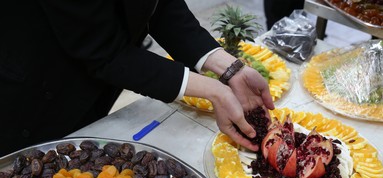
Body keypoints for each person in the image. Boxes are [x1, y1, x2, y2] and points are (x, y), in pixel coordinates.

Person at [0, 0, 273, 157]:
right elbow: (104, 52)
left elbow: (160, 6)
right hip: (31, 93)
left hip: (92, 84)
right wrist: (215, 90)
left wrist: (229, 68)